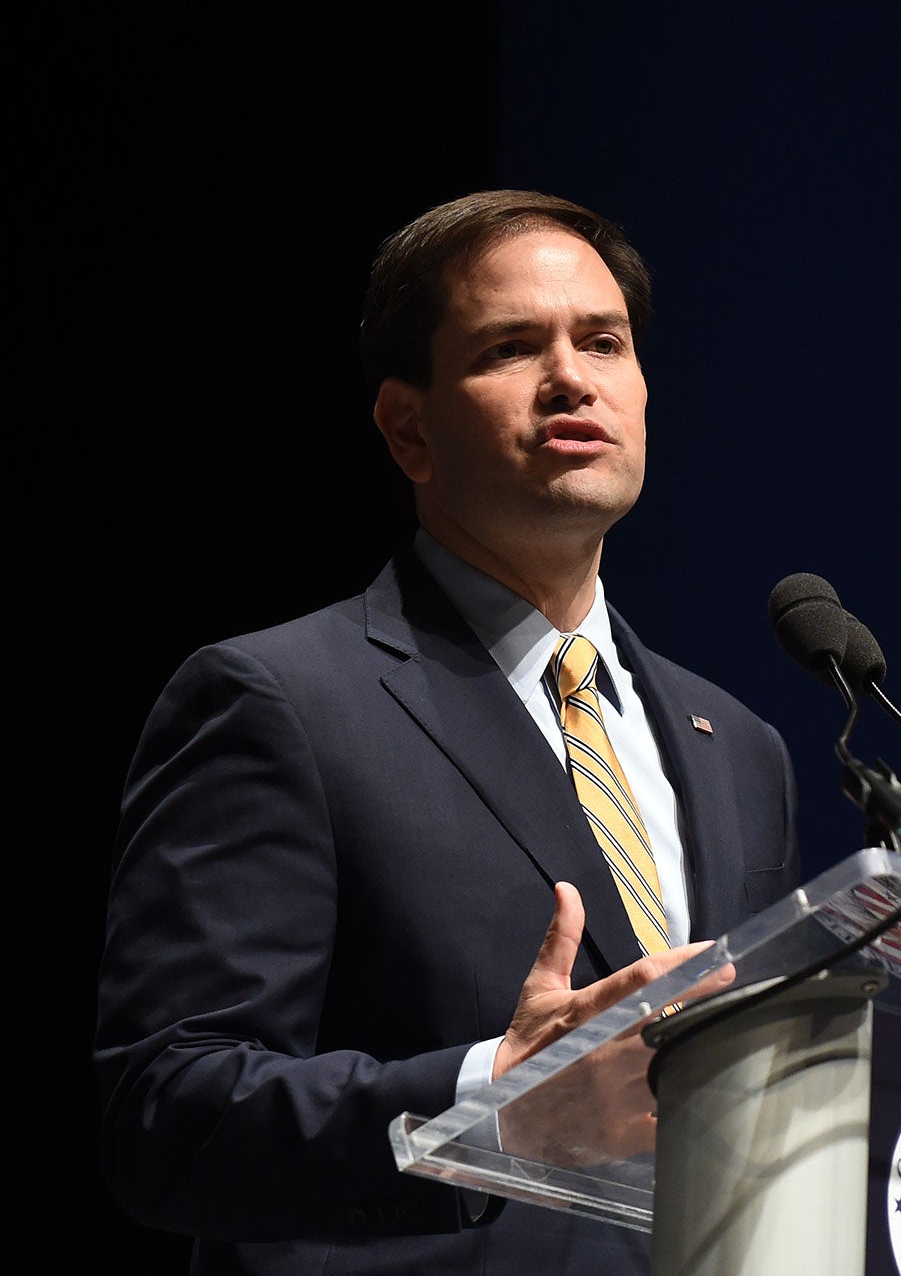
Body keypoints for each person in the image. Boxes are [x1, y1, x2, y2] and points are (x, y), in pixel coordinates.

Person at [95, 190, 801, 1275]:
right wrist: (495, 1106)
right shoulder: (282, 702)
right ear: (408, 427)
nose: (572, 377)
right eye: (513, 347)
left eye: (602, 341)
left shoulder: (739, 748)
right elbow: (171, 1116)